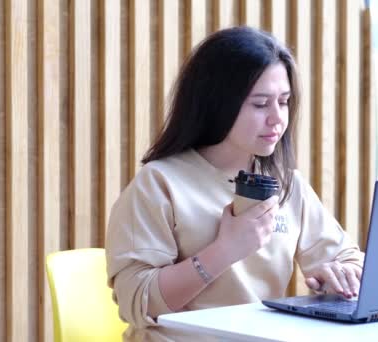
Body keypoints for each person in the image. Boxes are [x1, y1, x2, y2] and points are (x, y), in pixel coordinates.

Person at [106, 26, 364, 341]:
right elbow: (137, 301)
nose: (277, 118)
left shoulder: (287, 185)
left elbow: (349, 258)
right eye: (260, 104)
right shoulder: (159, 183)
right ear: (218, 103)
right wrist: (225, 251)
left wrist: (341, 276)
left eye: (283, 102)